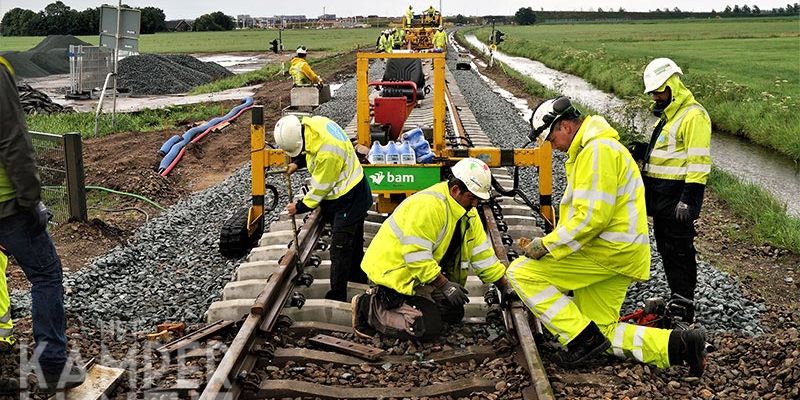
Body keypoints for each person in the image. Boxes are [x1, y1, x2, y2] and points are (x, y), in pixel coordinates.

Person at [508, 96, 708, 376]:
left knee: (521, 273)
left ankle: (581, 339)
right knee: (602, 331)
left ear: (565, 126)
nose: (553, 147)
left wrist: (548, 245)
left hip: (604, 252)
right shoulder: (597, 148)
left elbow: (592, 217)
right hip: (619, 253)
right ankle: (679, 345)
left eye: (552, 140)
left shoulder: (597, 151)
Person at [352, 158, 516, 340]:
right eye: (472, 198)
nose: (475, 204)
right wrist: (444, 285)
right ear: (455, 190)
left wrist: (505, 286)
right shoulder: (429, 207)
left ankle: (413, 303)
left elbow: (483, 257)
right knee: (426, 327)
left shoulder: (467, 213)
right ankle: (367, 306)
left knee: (453, 313)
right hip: (392, 276)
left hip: (415, 277)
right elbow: (416, 257)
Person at [0, 56, 85, 391]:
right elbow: (12, 140)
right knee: (46, 274)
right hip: (7, 204)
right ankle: (53, 365)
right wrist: (31, 198)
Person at [636, 58, 712, 322]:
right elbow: (668, 152)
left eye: (659, 91)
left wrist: (689, 200)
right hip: (661, 194)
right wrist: (642, 150)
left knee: (679, 248)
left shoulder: (694, 115)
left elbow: (698, 160)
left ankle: (684, 302)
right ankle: (677, 296)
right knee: (666, 247)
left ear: (672, 86)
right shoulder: (671, 116)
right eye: (653, 92)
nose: (656, 96)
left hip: (678, 196)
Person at [274, 115, 372, 302]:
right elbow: (310, 150)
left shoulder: (327, 155)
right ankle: (357, 279)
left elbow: (320, 188)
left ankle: (338, 296)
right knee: (355, 242)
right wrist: (298, 163)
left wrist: (300, 206)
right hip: (356, 188)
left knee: (340, 248)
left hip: (348, 199)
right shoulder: (315, 124)